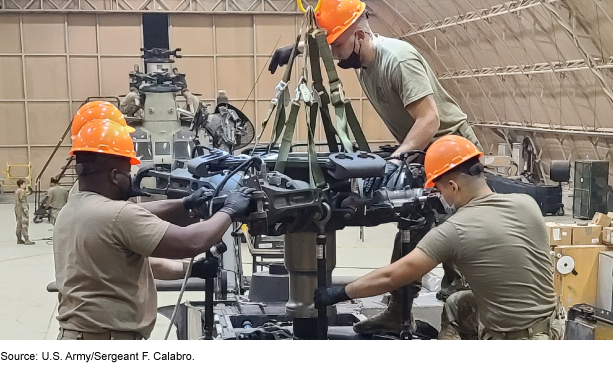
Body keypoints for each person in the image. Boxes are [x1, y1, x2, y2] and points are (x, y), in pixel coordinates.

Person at [269, 0, 479, 334]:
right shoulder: (363, 62)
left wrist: (397, 158)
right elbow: (329, 41)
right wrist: (295, 48)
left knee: (451, 235)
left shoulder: (398, 60)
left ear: (361, 35)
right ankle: (399, 310)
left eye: (337, 45)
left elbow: (430, 119)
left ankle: (467, 320)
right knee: (412, 227)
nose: (335, 56)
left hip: (454, 155)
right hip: (426, 154)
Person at [314, 136, 562, 340]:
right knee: (456, 304)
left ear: (453, 187)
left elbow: (392, 276)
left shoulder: (454, 230)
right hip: (552, 327)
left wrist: (339, 293)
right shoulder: (527, 204)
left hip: (518, 341)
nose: (439, 196)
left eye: (439, 189)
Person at [54, 119, 254, 340]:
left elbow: (140, 219)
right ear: (114, 176)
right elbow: (192, 242)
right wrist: (230, 210)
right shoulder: (117, 215)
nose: (130, 177)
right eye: (127, 172)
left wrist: (184, 204)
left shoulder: (71, 211)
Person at [14, 179, 33, 245]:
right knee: (24, 223)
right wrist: (25, 209)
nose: (25, 185)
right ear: (21, 184)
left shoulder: (17, 191)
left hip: (17, 209)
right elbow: (23, 201)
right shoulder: (21, 191)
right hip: (22, 209)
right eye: (24, 184)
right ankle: (26, 238)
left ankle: (19, 239)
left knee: (19, 224)